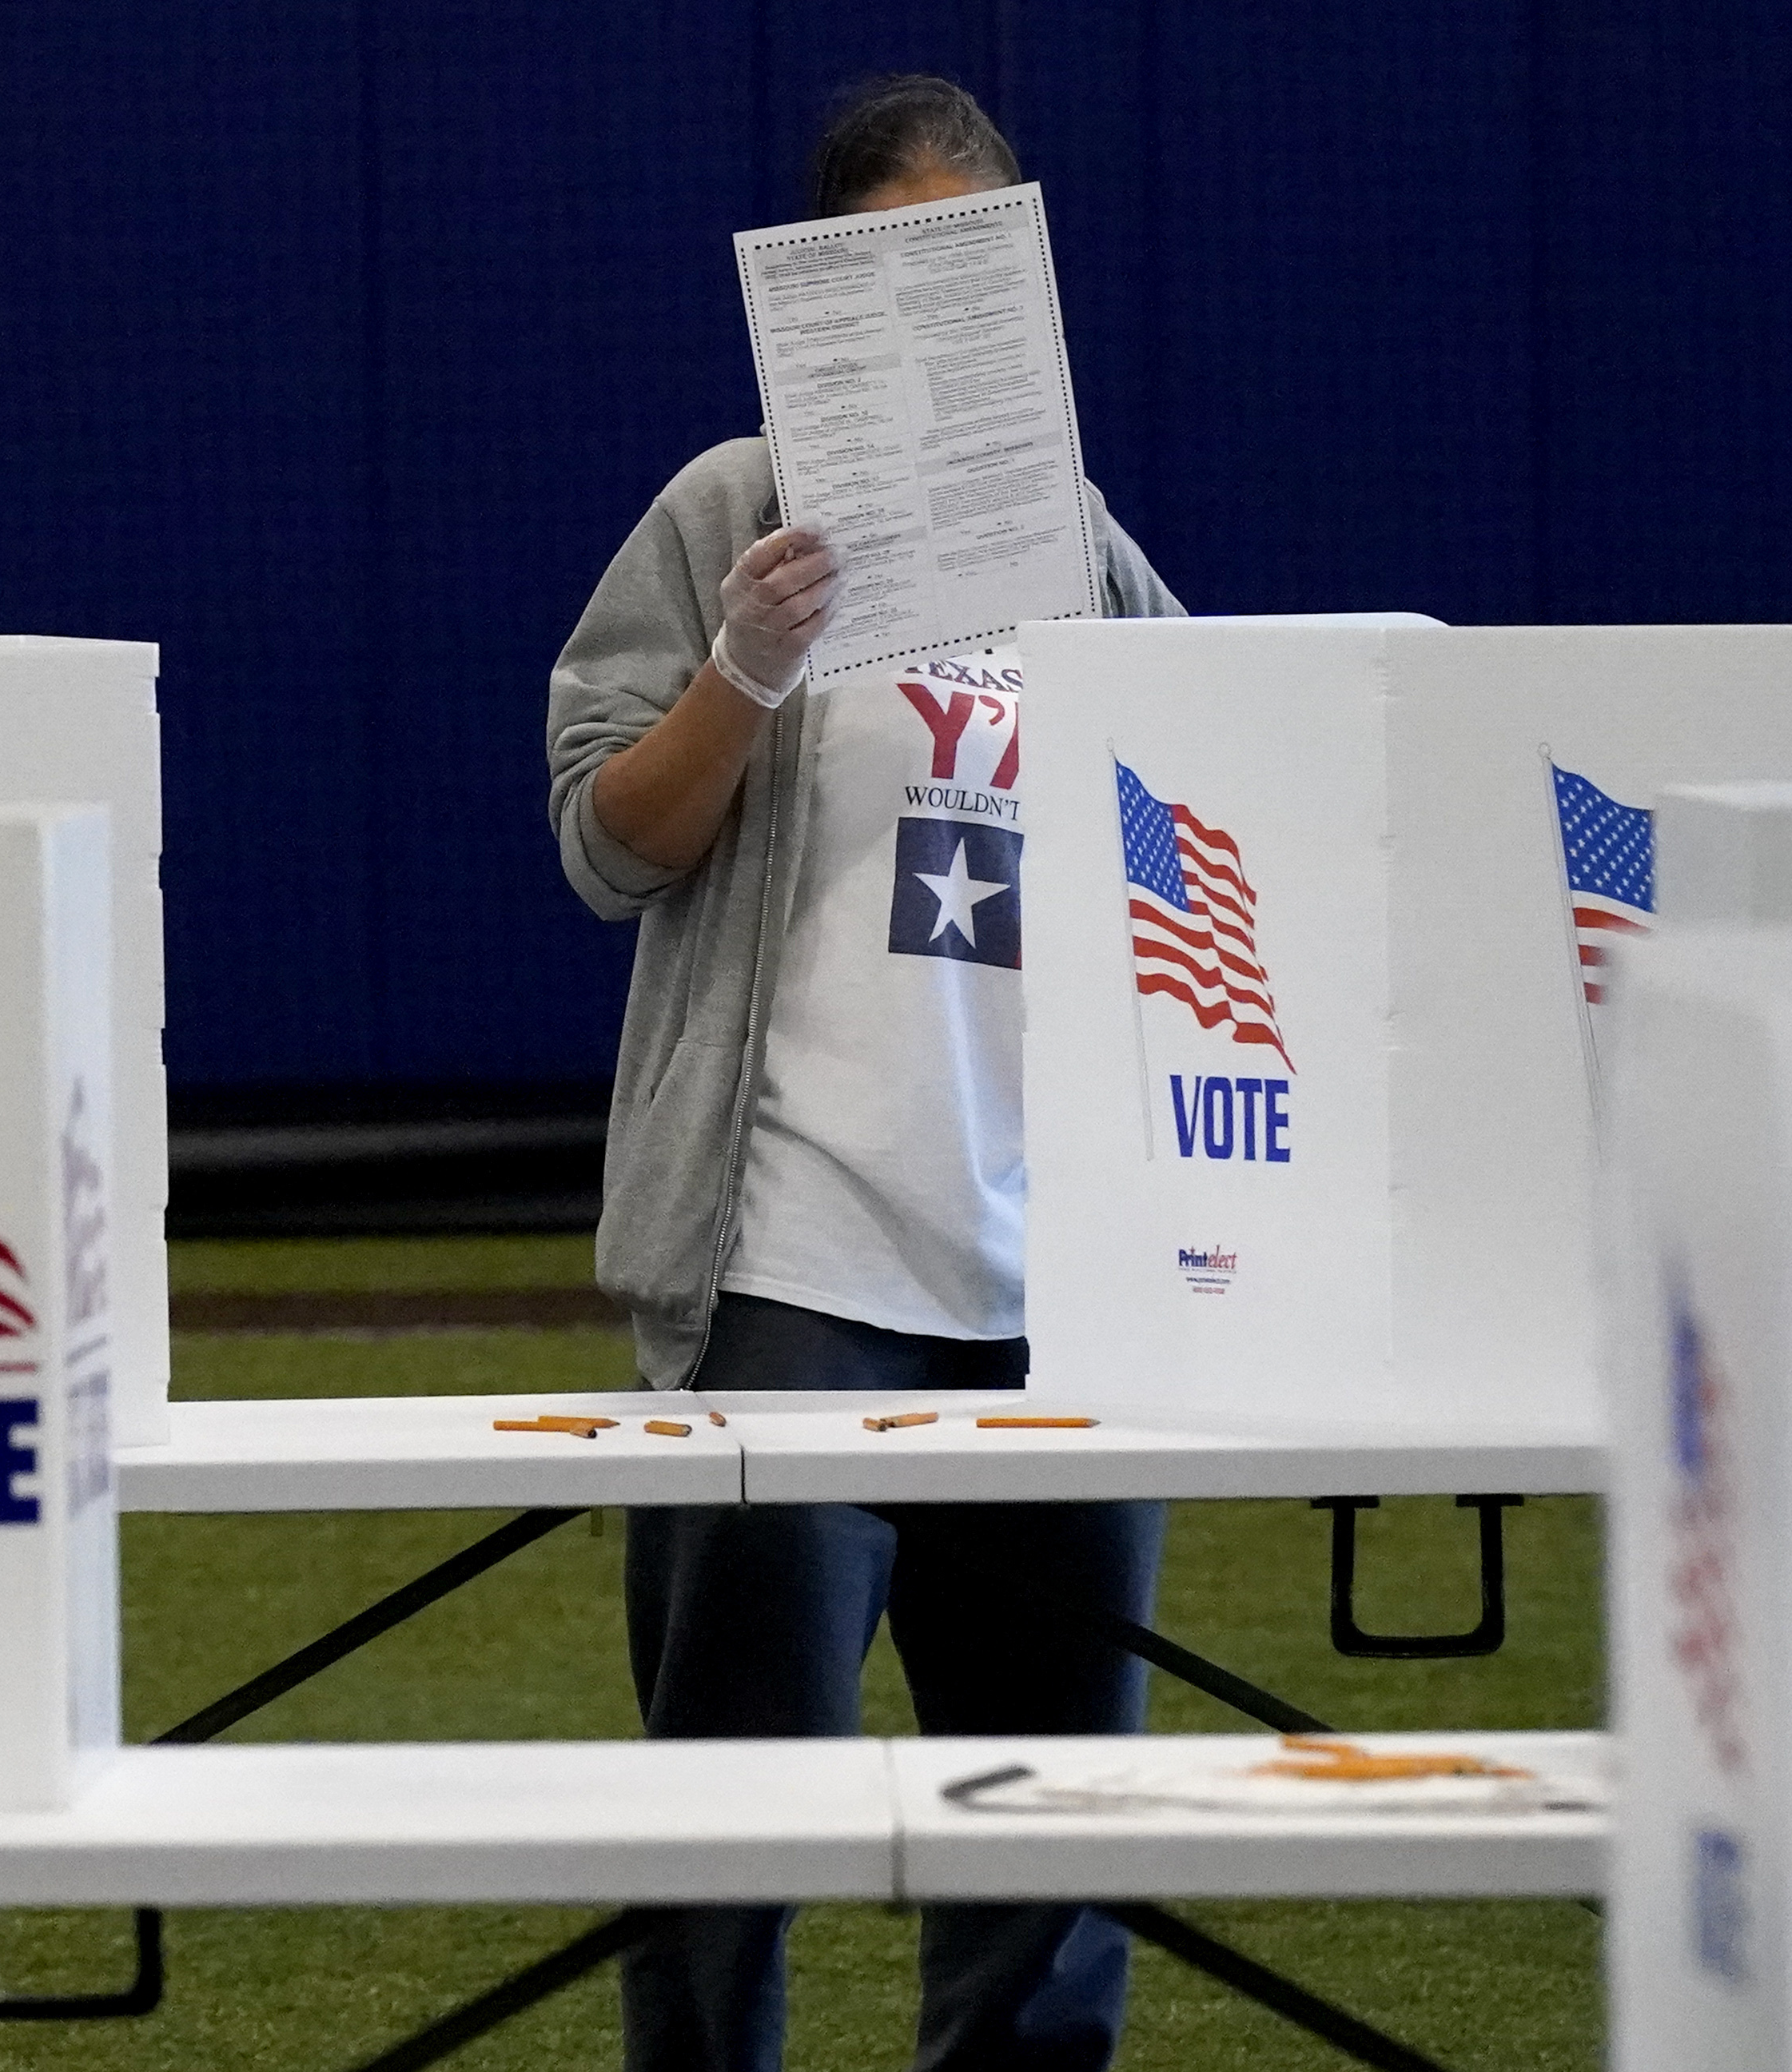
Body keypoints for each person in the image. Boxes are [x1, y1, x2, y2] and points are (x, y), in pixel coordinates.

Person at [544, 74, 1187, 2072]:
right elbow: (602, 843)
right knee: (735, 1821)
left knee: (1050, 1832)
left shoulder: (1072, 539)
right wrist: (745, 667)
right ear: (822, 288)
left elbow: (1213, 823)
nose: (944, 309)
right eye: (895, 262)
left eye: (982, 261)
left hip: (1049, 1280)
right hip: (794, 1269)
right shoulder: (727, 510)